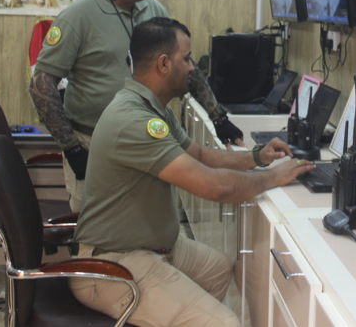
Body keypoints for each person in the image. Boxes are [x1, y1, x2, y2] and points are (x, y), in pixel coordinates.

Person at [69, 17, 314, 327]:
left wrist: (257, 157)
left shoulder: (154, 107)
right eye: (185, 59)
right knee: (224, 323)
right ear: (163, 64)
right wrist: (274, 177)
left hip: (152, 246)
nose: (192, 68)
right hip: (112, 264)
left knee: (219, 268)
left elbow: (199, 155)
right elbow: (215, 187)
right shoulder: (134, 121)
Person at [30, 0, 245, 212]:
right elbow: (41, 84)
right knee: (97, 226)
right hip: (93, 144)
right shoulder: (78, 17)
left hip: (150, 141)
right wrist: (71, 146)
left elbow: (184, 66)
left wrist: (218, 116)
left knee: (145, 221)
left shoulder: (154, 11)